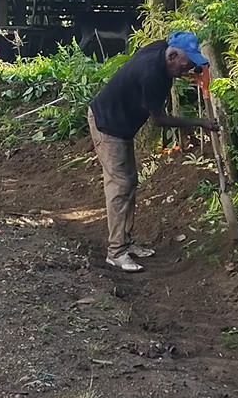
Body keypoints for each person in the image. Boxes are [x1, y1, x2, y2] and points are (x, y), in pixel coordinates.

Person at [86, 30, 219, 273]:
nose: (187, 69)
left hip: (121, 125)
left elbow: (181, 61)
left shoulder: (162, 49)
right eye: (186, 64)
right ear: (172, 56)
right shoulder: (153, 75)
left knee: (129, 182)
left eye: (191, 65)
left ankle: (125, 241)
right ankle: (116, 252)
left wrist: (199, 71)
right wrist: (200, 122)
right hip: (108, 124)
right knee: (120, 186)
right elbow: (159, 120)